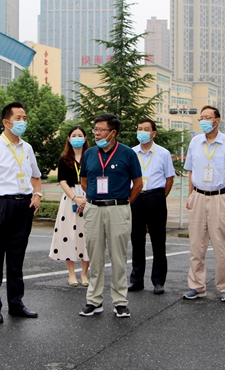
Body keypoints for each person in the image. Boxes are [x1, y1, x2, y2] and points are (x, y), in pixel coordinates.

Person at [0, 102, 43, 324]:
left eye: (25, 118)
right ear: (6, 122)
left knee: (17, 258)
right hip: (0, 206)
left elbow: (36, 177)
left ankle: (16, 303)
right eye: (19, 118)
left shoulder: (28, 148)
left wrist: (38, 194)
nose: (23, 122)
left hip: (23, 206)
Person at [79, 114, 142, 318]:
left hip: (118, 208)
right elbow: (84, 182)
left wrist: (122, 204)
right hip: (94, 209)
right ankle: (94, 300)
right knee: (95, 256)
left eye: (101, 130)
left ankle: (120, 301)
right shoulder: (89, 154)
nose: (96, 133)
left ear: (113, 132)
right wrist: (94, 199)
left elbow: (138, 184)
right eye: (95, 129)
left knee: (118, 257)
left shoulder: (127, 154)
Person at [182, 105, 225, 303]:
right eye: (201, 118)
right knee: (196, 245)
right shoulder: (195, 142)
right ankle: (196, 286)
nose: (204, 121)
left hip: (220, 197)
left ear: (217, 120)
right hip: (199, 197)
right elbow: (190, 171)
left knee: (222, 244)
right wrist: (190, 195)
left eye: (208, 117)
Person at [129, 118, 175, 295]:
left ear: (154, 133)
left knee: (158, 241)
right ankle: (136, 280)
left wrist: (159, 197)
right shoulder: (131, 153)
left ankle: (158, 281)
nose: (142, 132)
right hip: (136, 198)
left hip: (155, 196)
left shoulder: (163, 153)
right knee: (137, 240)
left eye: (146, 129)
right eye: (139, 128)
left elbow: (169, 179)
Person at [49, 126, 90, 287]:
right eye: (74, 135)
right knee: (70, 235)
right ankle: (71, 273)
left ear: (86, 138)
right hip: (70, 199)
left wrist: (86, 199)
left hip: (88, 197)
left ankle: (85, 274)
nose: (77, 138)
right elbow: (62, 181)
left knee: (87, 236)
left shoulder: (91, 157)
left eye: (80, 135)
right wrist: (75, 199)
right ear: (68, 139)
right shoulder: (64, 159)